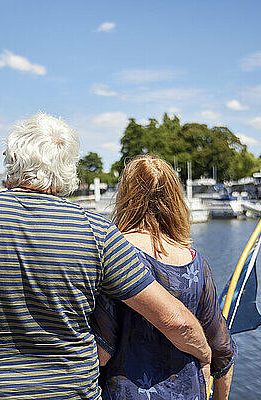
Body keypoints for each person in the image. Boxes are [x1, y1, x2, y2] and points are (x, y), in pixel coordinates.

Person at [0, 113, 211, 400]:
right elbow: (173, 320)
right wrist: (205, 351)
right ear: (68, 170)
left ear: (10, 159)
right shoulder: (95, 230)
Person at [91, 154, 237, 400]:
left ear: (125, 197)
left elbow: (102, 351)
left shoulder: (114, 254)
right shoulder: (197, 262)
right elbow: (222, 351)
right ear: (175, 199)